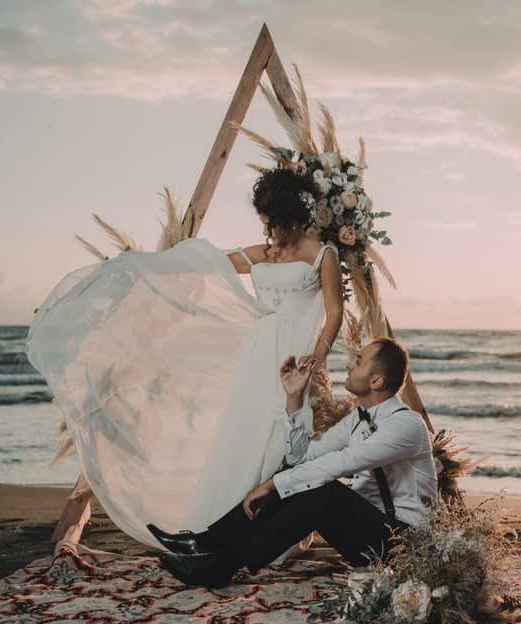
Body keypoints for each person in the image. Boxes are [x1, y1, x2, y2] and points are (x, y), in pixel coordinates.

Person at [25, 167, 343, 548]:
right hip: (258, 355)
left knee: (282, 440)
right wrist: (138, 268)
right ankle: (216, 529)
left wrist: (317, 356)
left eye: (272, 222)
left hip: (294, 359)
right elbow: (204, 264)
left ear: (290, 216)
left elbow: (334, 310)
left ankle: (273, 537)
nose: (268, 231)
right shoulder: (263, 253)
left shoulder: (323, 255)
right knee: (243, 437)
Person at [148, 338, 438, 587]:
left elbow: (342, 462)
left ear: (376, 380)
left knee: (322, 489)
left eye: (359, 361)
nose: (349, 364)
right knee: (296, 474)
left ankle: (221, 566)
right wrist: (294, 399)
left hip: (403, 544)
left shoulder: (407, 426)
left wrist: (272, 485)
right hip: (364, 538)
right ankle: (205, 543)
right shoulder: (357, 420)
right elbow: (301, 458)